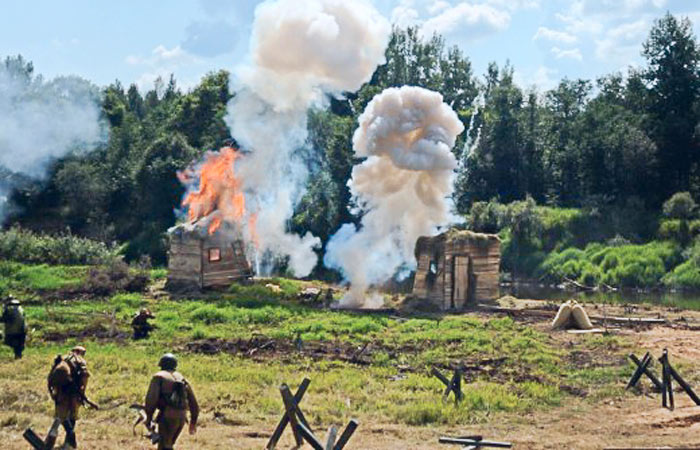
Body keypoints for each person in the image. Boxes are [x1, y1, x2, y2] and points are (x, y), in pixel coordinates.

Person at [46, 345, 97, 449]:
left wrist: (53, 392)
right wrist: (82, 393)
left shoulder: (62, 359)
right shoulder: (80, 361)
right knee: (72, 416)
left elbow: (51, 376)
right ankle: (70, 437)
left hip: (60, 391)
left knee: (61, 415)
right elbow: (85, 376)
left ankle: (64, 441)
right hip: (73, 392)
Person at [144, 353, 199, 450]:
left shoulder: (159, 377)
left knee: (164, 446)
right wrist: (193, 421)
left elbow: (151, 400)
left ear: (161, 364)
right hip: (182, 416)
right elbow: (193, 402)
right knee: (169, 444)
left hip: (168, 415)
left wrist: (149, 417)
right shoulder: (181, 378)